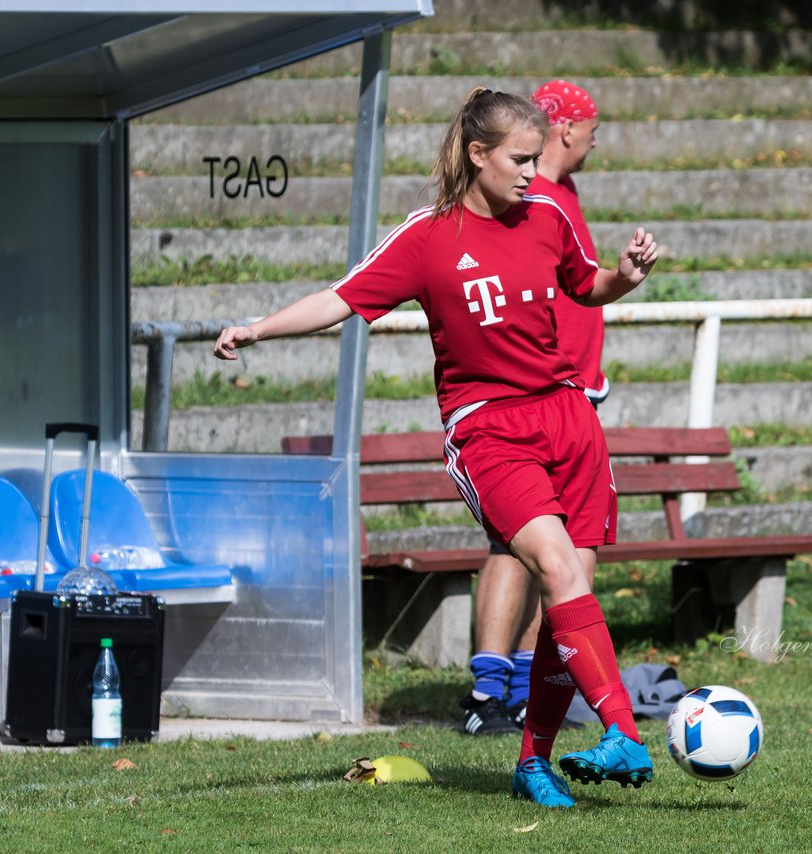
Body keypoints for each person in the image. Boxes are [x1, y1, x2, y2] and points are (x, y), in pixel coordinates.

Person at [214, 87, 660, 809]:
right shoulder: (428, 238)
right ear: (479, 154)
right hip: (490, 428)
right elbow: (342, 297)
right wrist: (257, 328)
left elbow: (587, 285)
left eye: (537, 156)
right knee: (553, 566)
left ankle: (531, 764)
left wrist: (627, 278)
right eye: (519, 157)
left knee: (567, 594)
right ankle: (624, 733)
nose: (531, 170)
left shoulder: (548, 213)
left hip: (570, 419)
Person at [460, 79, 609, 737]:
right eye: (592, 129)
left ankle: (527, 686)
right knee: (523, 545)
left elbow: (586, 285)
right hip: (531, 406)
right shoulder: (527, 204)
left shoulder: (554, 202)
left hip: (569, 402)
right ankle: (491, 690)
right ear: (567, 129)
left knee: (574, 544)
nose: (594, 142)